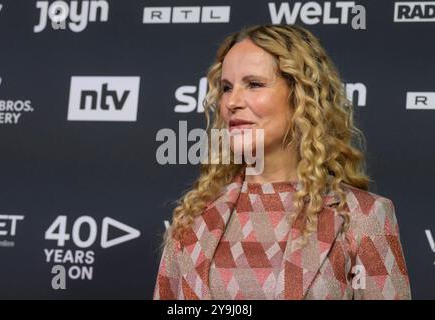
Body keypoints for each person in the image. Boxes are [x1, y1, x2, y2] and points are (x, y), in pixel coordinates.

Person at [153, 24, 411, 300]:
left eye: (254, 84)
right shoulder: (192, 218)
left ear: (301, 95)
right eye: (226, 88)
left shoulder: (363, 217)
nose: (232, 102)